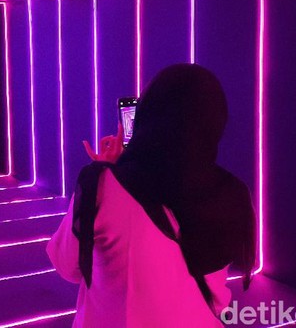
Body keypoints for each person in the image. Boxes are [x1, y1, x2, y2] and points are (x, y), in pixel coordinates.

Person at [47, 64, 256, 327]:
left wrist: (106, 170)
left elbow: (67, 265)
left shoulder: (102, 184)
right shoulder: (234, 193)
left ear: (147, 116)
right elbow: (216, 294)